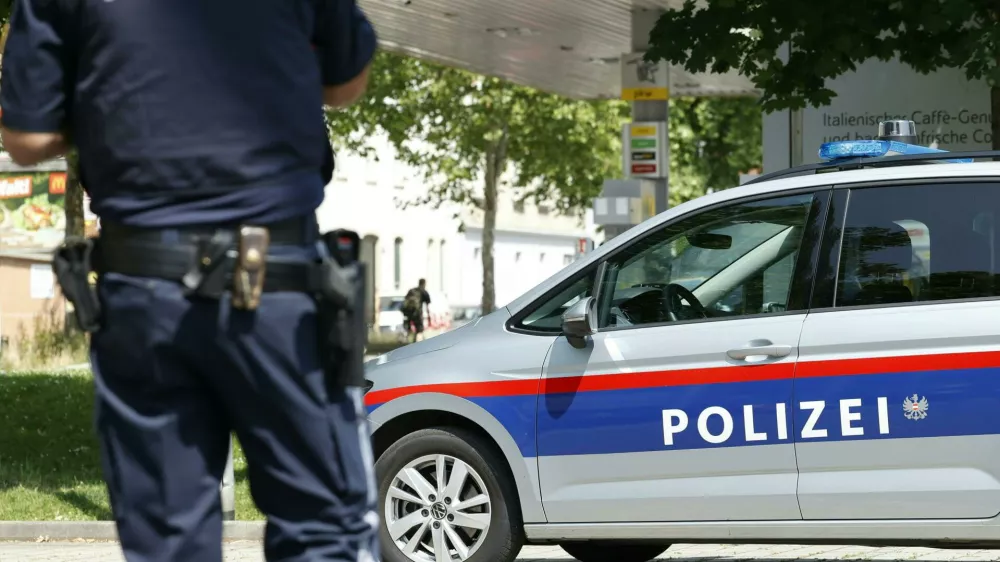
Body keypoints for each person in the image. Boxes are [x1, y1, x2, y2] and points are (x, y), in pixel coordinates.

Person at [0, 0, 379, 561]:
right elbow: (347, 83)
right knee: (322, 525)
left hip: (143, 290)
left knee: (167, 540)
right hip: (276, 286)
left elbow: (25, 139)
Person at [402, 278, 431, 342]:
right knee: (419, 329)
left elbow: (405, 300)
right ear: (424, 284)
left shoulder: (411, 290)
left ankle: (406, 341)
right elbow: (427, 306)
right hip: (417, 313)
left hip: (408, 312)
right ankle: (416, 342)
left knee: (408, 328)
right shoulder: (424, 292)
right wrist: (429, 316)